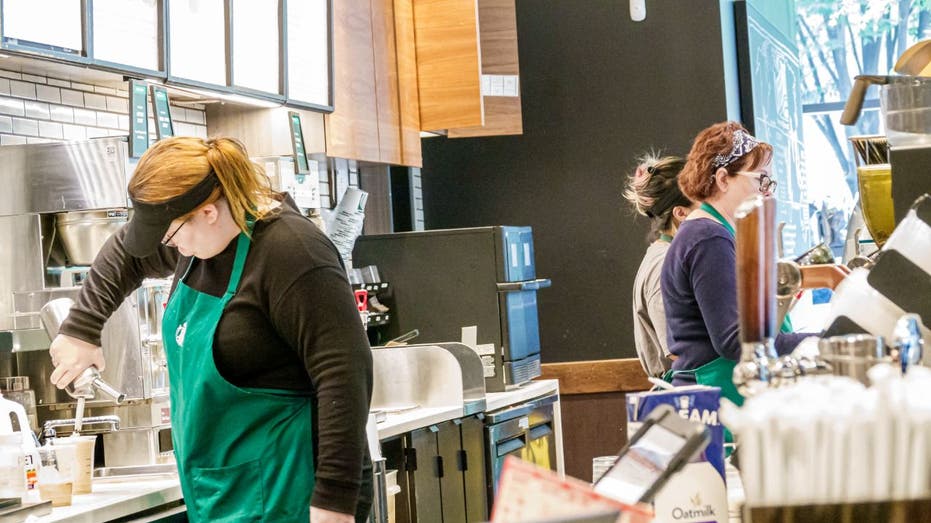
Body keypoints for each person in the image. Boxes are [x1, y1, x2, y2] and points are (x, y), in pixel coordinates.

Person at [48, 137, 373, 523]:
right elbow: (126, 254)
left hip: (295, 492)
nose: (171, 249)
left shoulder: (294, 253)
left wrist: (334, 501)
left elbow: (344, 374)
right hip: (224, 492)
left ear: (207, 212)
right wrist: (81, 328)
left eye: (170, 236)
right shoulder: (201, 241)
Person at [660, 122, 809, 404]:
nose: (766, 191)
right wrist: (824, 340)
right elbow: (736, 341)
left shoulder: (713, 231)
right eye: (760, 179)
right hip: (717, 401)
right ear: (723, 178)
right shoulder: (708, 238)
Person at [623, 155, 695, 378]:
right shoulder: (664, 264)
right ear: (681, 214)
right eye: (703, 206)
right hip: (685, 396)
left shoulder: (668, 256)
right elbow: (678, 351)